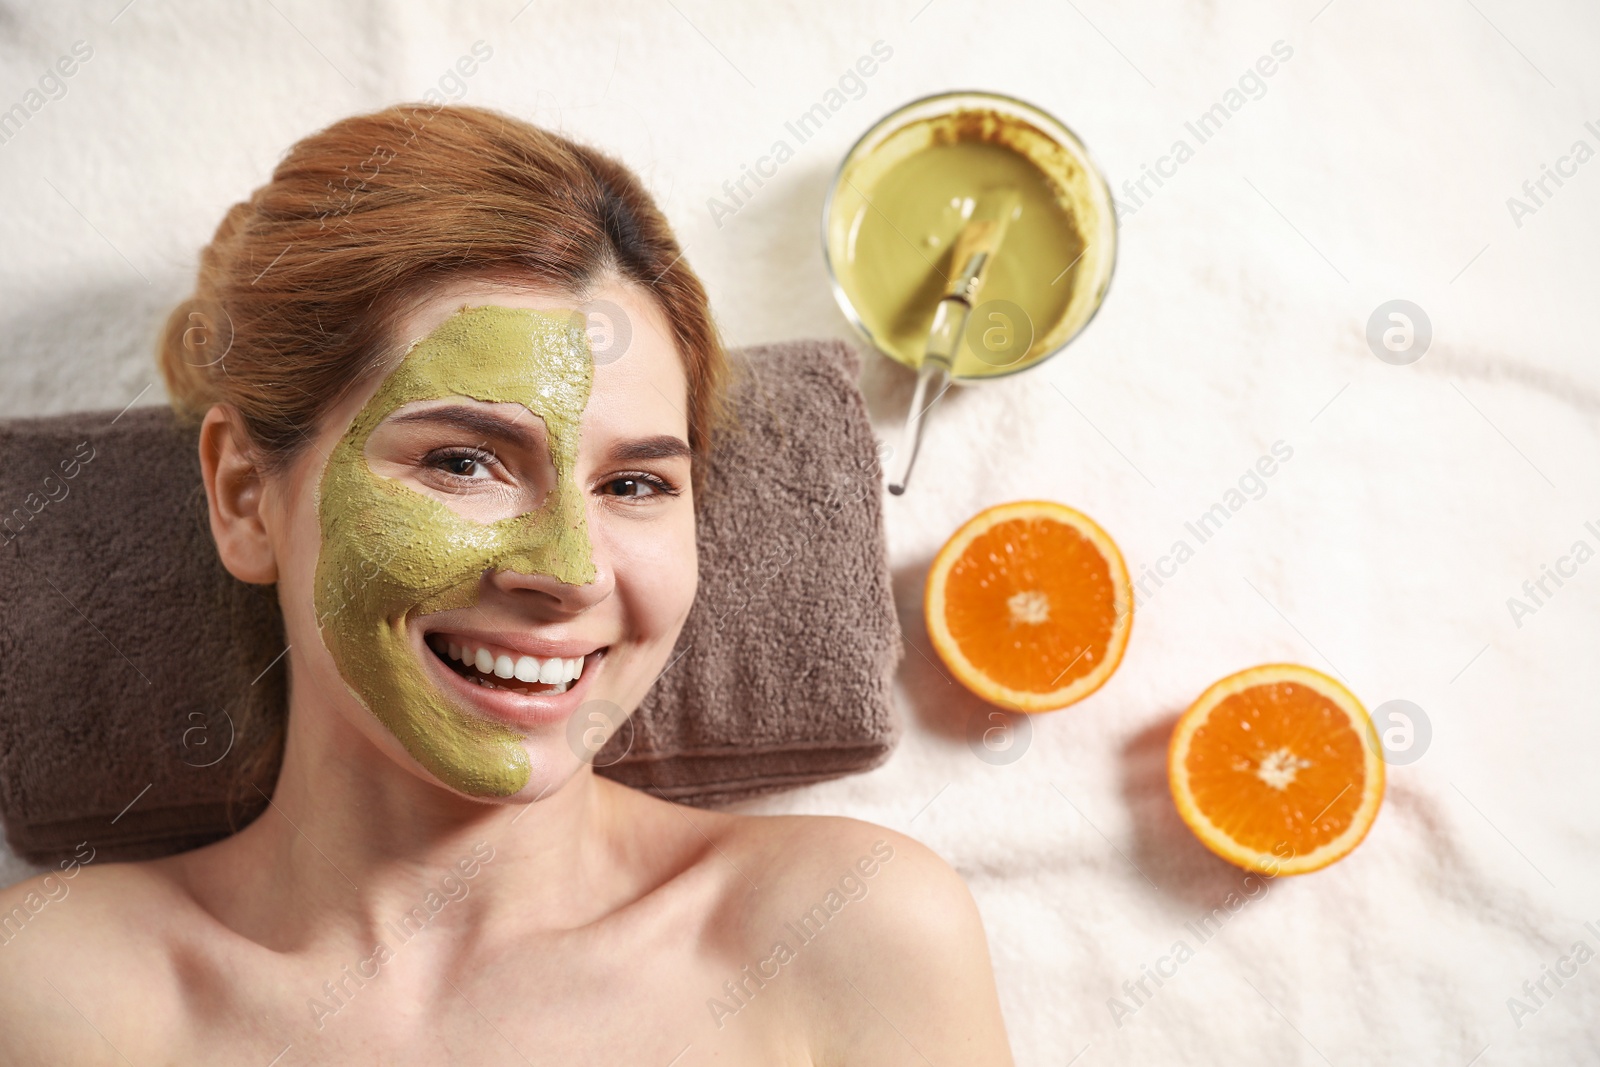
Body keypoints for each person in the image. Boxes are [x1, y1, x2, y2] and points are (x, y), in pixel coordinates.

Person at [0, 104, 1014, 1063]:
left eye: (633, 482)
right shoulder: (57, 994)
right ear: (241, 494)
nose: (568, 571)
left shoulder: (850, 936)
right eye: (461, 462)